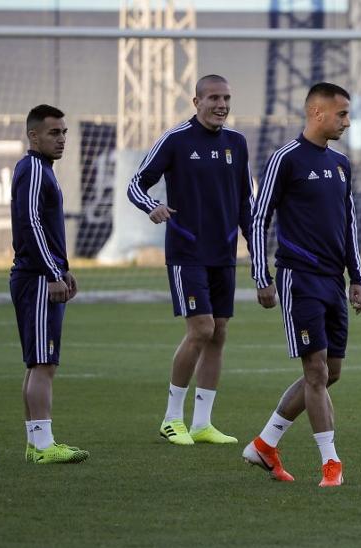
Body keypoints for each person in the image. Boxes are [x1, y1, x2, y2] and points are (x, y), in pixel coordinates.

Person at [242, 82, 361, 487]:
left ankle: (265, 443)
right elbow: (259, 218)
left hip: (333, 281)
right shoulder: (286, 159)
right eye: (342, 114)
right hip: (299, 278)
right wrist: (262, 276)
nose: (347, 122)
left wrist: (357, 277)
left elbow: (348, 224)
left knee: (331, 373)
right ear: (317, 113)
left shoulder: (342, 164)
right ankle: (331, 464)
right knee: (315, 372)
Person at [126, 74, 253, 446]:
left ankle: (202, 423)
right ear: (196, 101)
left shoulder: (237, 143)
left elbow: (246, 201)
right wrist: (153, 206)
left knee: (219, 334)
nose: (222, 105)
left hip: (224, 253)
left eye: (227, 98)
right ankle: (171, 419)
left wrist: (254, 242)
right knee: (200, 330)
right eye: (213, 97)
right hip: (187, 252)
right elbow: (136, 184)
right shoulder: (176, 140)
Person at [11, 104, 88, 464]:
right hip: (37, 278)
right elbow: (30, 224)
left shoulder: (42, 169)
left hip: (41, 274)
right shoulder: (33, 169)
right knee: (44, 363)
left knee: (39, 363)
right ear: (34, 135)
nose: (61, 139)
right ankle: (43, 446)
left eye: (64, 133)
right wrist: (52, 273)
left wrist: (64, 267)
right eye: (53, 133)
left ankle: (36, 443)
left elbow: (42, 226)